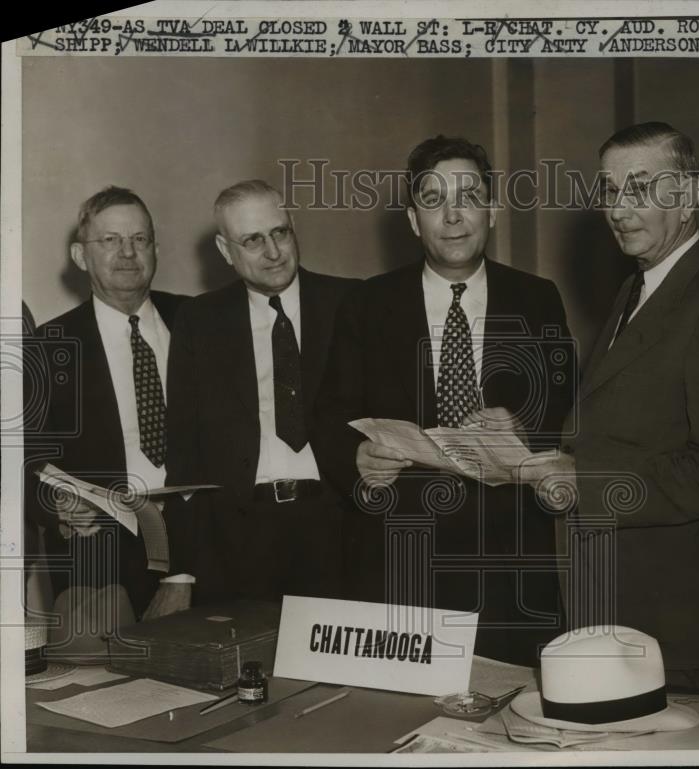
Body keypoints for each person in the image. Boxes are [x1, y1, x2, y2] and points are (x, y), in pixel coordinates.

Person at [311, 136, 575, 666]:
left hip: (507, 559)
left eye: (469, 197)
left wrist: (518, 424)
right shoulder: (366, 304)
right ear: (413, 220)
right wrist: (356, 458)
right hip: (399, 559)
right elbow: (329, 414)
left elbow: (563, 404)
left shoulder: (537, 298)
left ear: (493, 210)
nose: (453, 217)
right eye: (433, 200)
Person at [521, 122, 699, 692]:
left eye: (641, 188)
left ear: (690, 195)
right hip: (614, 604)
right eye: (609, 190)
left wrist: (584, 479)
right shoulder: (641, 285)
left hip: (667, 625)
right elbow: (622, 426)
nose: (619, 209)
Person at [147, 179, 356, 617]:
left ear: (293, 227)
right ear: (226, 251)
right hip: (240, 538)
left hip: (338, 527)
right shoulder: (198, 323)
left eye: (280, 232)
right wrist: (180, 572)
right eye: (253, 240)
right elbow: (185, 454)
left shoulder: (352, 304)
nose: (273, 252)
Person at [24, 186, 185, 621]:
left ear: (155, 248)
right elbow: (25, 458)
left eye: (139, 239)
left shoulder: (201, 323)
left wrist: (185, 574)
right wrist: (52, 503)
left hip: (203, 554)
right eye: (110, 240)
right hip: (98, 562)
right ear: (81, 256)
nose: (127, 252)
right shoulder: (47, 346)